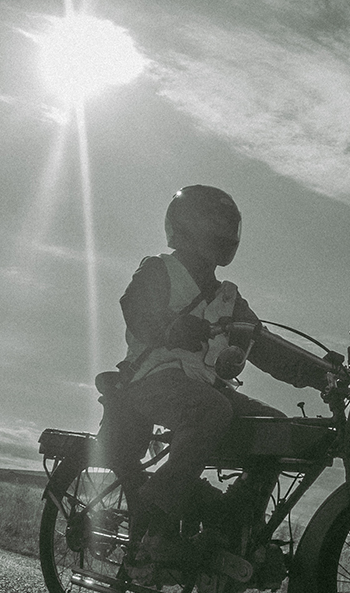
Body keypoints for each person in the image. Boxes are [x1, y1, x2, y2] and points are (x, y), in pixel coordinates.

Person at [98, 185, 336, 565]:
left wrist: (323, 372)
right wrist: (170, 328)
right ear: (186, 226)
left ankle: (227, 528)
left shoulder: (228, 296)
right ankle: (155, 531)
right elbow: (136, 309)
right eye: (215, 222)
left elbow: (263, 345)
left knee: (275, 427)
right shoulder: (160, 268)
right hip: (151, 380)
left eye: (228, 224)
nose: (223, 231)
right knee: (210, 410)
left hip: (202, 387)